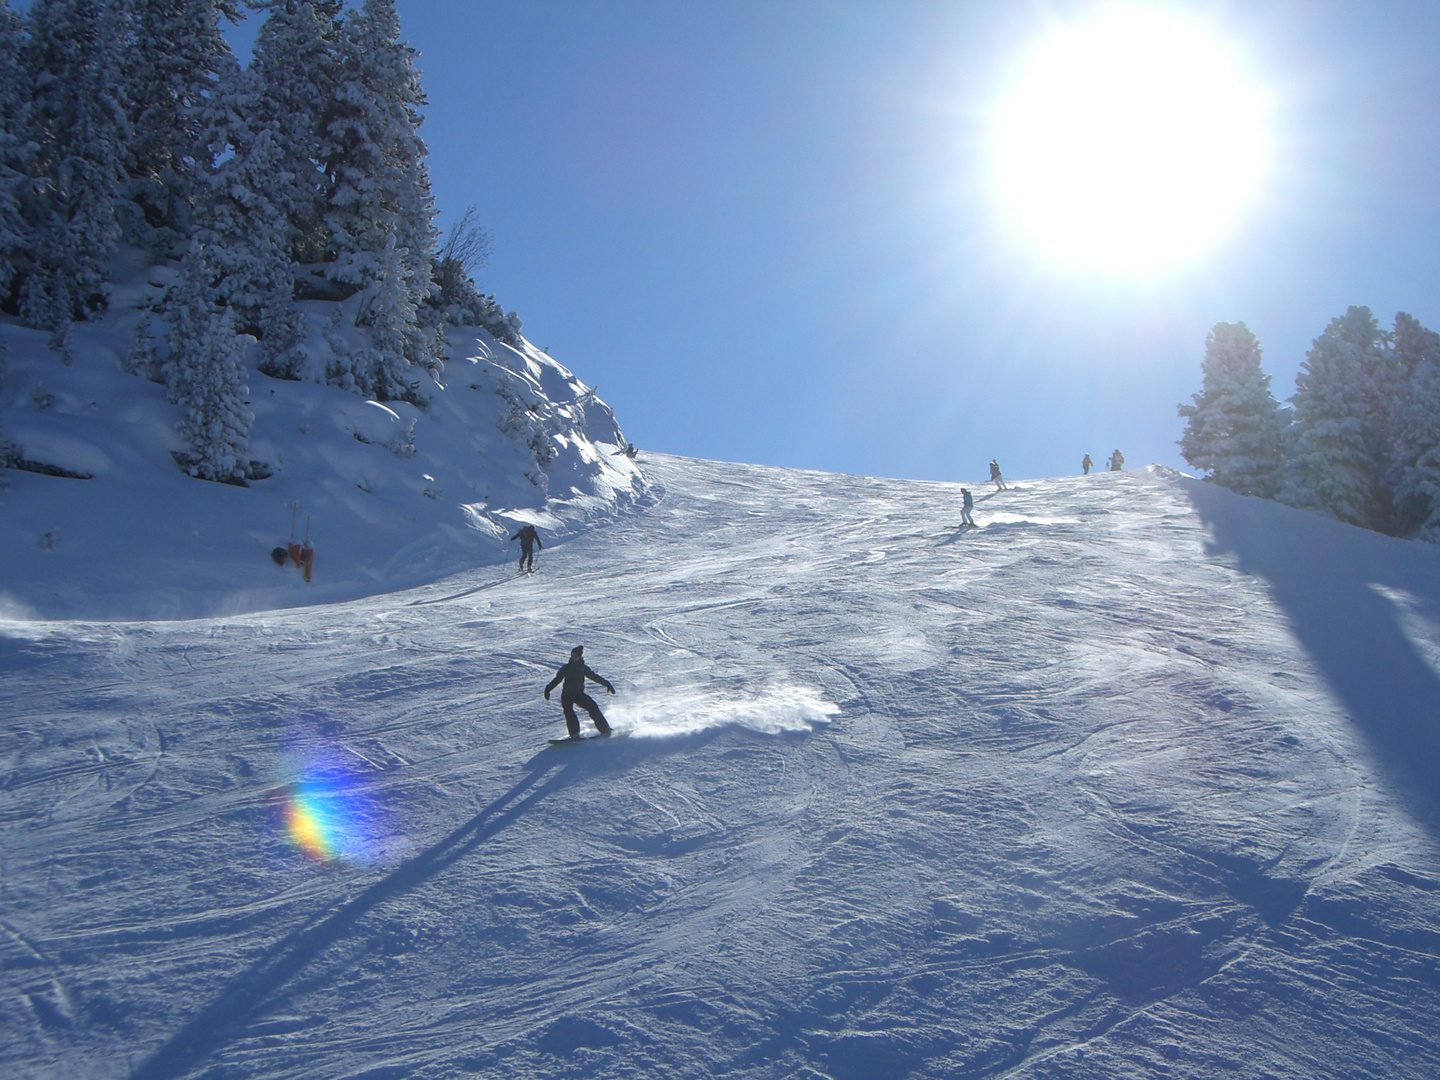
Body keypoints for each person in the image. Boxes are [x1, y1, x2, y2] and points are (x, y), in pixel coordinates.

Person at [544, 645, 615, 738]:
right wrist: (548, 688)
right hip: (566, 695)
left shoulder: (583, 668)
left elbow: (594, 677)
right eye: (572, 656)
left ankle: (605, 729)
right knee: (569, 712)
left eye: (575, 656)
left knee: (593, 707)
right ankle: (574, 734)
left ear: (580, 657)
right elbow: (557, 679)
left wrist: (607, 684)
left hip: (578, 694)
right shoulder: (567, 668)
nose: (573, 658)